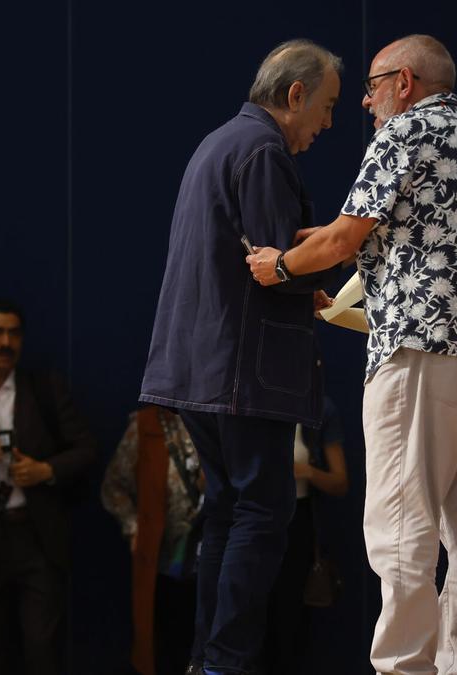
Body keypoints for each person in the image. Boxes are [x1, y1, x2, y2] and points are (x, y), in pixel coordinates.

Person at [247, 34, 457, 675]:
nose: (366, 105)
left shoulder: (404, 133)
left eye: (373, 88)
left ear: (403, 82)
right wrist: (332, 241)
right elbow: (428, 232)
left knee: (402, 529)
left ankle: (404, 669)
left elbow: (350, 237)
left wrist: (282, 263)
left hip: (425, 351)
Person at [138, 39, 343, 675]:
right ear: (295, 95)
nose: (329, 124)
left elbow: (244, 262)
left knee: (228, 509)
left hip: (200, 366)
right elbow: (274, 265)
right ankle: (225, 663)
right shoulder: (263, 150)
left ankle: (208, 661)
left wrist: (293, 280)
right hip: (243, 372)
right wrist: (346, 255)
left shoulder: (217, 141)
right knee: (264, 511)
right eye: (328, 107)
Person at [0, 299, 96, 675]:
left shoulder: (44, 388)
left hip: (38, 538)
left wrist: (45, 470)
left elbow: (86, 449)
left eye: (14, 333)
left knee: (42, 647)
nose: (6, 342)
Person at [102, 406, 204, 675]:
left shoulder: (217, 422)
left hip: (212, 556)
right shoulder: (146, 424)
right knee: (167, 645)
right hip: (165, 559)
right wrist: (134, 528)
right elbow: (113, 486)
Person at [264, 396, 348, 674]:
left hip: (299, 521)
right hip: (257, 518)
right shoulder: (258, 402)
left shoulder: (321, 409)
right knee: (252, 610)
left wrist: (306, 471)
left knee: (292, 616)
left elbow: (340, 482)